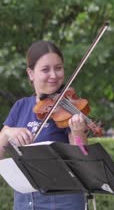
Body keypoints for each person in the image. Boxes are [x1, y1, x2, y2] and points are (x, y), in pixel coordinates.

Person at [0, 40, 88, 210]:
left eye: (58, 68)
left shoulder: (68, 107)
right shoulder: (21, 106)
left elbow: (83, 160)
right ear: (31, 73)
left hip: (63, 203)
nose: (54, 75)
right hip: (25, 203)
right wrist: (7, 133)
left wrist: (79, 134)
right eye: (45, 69)